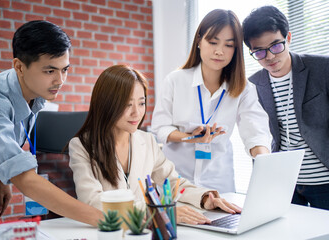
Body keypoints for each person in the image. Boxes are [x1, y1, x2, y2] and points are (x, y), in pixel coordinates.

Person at [68, 65, 242, 225]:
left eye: (142, 103)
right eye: (127, 104)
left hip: (144, 231)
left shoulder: (147, 140)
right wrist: (159, 213)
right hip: (110, 231)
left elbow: (174, 183)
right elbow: (92, 202)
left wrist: (205, 198)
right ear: (106, 105)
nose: (137, 112)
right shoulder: (81, 146)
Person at [0, 20, 102, 228]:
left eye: (65, 69)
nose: (60, 80)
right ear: (19, 67)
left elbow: (7, 142)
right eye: (50, 71)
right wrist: (101, 219)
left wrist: (2, 180)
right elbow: (26, 180)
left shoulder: (32, 92)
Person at [151, 9, 271, 193]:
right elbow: (160, 128)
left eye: (229, 45)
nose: (219, 51)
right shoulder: (175, 81)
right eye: (213, 42)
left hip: (219, 183)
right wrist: (189, 138)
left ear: (236, 50)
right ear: (199, 40)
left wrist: (264, 161)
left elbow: (255, 130)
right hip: (175, 180)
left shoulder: (244, 89)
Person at [242, 6, 329, 210]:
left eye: (276, 46)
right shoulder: (254, 84)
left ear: (288, 37)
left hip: (325, 182)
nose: (270, 57)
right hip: (284, 184)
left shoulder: (321, 68)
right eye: (260, 51)